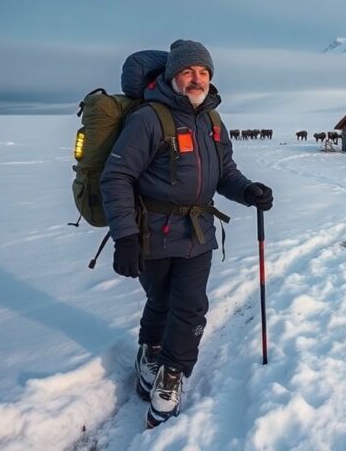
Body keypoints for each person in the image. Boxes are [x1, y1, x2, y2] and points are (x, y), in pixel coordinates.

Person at [100, 39, 273, 428]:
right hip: (152, 233)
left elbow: (224, 171)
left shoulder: (212, 120)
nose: (197, 79)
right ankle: (150, 350)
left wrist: (247, 191)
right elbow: (117, 176)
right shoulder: (149, 119)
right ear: (172, 76)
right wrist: (125, 236)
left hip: (198, 233)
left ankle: (172, 373)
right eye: (188, 72)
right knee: (159, 300)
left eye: (204, 72)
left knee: (191, 306)